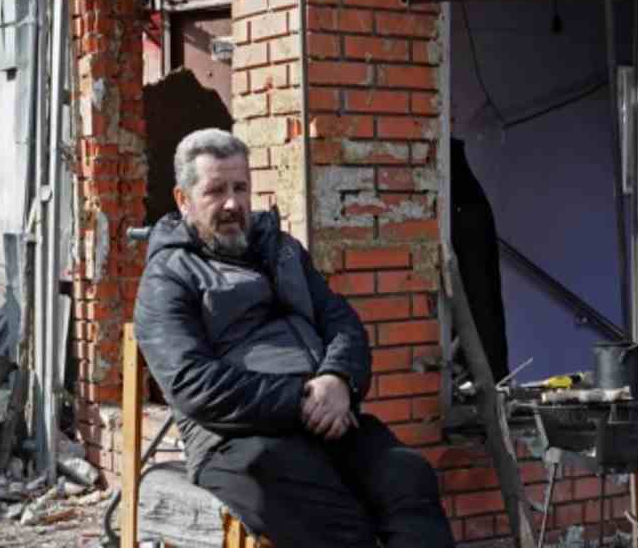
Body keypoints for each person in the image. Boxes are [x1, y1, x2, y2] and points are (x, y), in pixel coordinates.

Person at [133, 128, 456, 548]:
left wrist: (339, 379)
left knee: (408, 477)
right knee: (338, 523)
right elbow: (192, 384)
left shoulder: (284, 251)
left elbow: (342, 323)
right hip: (236, 440)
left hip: (324, 418)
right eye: (215, 191)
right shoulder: (168, 277)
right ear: (183, 199)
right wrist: (301, 401)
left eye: (240, 187)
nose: (233, 203)